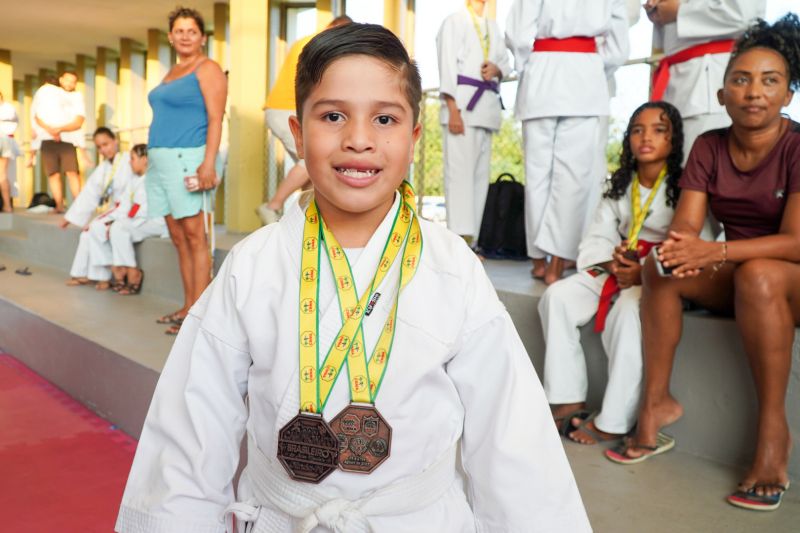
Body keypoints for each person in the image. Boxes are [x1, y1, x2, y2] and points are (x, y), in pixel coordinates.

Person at [115, 23, 590, 532]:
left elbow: (512, 441)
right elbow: (191, 437)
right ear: (297, 134)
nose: (359, 140)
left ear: (412, 137)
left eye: (384, 118)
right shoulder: (252, 265)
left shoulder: (452, 268)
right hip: (283, 516)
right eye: (333, 115)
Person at [606, 14, 800, 512]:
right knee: (661, 265)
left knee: (758, 276)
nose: (753, 91)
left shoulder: (798, 146)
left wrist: (715, 251)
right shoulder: (710, 146)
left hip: (787, 277)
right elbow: (688, 226)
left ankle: (773, 433)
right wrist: (680, 246)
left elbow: (796, 242)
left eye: (769, 80)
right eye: (741, 79)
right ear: (721, 94)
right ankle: (655, 406)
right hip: (739, 274)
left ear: (787, 94)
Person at [542, 101, 707, 445]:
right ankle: (568, 397)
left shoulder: (687, 186)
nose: (646, 137)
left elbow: (696, 238)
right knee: (557, 297)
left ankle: (614, 419)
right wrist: (613, 264)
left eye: (659, 130)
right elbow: (598, 235)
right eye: (637, 130)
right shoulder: (620, 184)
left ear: (673, 141)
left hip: (662, 273)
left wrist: (644, 269)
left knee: (628, 312)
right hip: (618, 264)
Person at [505, 0, 631, 285]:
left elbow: (517, 32)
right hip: (584, 77)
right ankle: (558, 260)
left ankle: (538, 259)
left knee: (537, 175)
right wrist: (596, 68)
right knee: (572, 176)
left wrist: (531, 66)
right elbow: (618, 46)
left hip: (541, 73)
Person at [147, 7, 227, 334]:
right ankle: (188, 305)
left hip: (188, 157)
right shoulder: (171, 73)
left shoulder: (207, 68)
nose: (184, 36)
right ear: (170, 36)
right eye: (179, 31)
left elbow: (215, 118)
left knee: (196, 236)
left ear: (202, 37)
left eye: (191, 31)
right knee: (179, 237)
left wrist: (208, 163)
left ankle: (198, 314)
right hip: (159, 161)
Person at [256, 15, 353, 226]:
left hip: (282, 109)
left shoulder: (308, 41)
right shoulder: (321, 45)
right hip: (287, 110)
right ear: (334, 27)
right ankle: (272, 206)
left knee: (315, 174)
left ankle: (307, 220)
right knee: (312, 161)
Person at [645, 0, 766, 158]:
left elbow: (742, 14)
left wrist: (679, 11)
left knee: (707, 168)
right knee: (676, 173)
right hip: (677, 80)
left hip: (710, 86)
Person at [436, 0, 510, 243]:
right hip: (462, 106)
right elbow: (446, 66)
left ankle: (474, 241)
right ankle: (459, 239)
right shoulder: (454, 21)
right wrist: (451, 107)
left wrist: (497, 69)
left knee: (480, 178)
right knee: (458, 176)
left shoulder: (493, 27)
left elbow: (506, 64)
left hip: (485, 108)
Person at [62, 127, 133, 289]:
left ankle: (105, 276)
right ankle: (83, 274)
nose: (103, 150)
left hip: (128, 210)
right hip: (115, 210)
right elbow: (90, 193)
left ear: (115, 141)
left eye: (106, 144)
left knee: (95, 227)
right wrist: (69, 218)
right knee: (86, 233)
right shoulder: (104, 167)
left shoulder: (129, 159)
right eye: (99, 147)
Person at [109, 144, 168, 295]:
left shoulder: (154, 178)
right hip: (141, 220)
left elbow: (143, 208)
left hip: (157, 222)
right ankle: (129, 269)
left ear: (145, 159)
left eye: (133, 158)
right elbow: (128, 206)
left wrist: (126, 219)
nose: (130, 162)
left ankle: (127, 271)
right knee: (117, 228)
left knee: (119, 227)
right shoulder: (136, 180)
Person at [31, 71, 85, 212]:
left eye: (73, 81)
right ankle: (59, 206)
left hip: (68, 140)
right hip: (47, 138)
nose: (69, 84)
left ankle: (79, 206)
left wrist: (59, 129)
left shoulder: (76, 96)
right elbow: (37, 116)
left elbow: (78, 121)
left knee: (72, 172)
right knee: (53, 173)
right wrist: (50, 130)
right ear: (61, 80)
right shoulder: (47, 93)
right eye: (67, 80)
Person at [0, 90, 20, 213]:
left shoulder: (7, 108)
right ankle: (7, 205)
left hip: (5, 140)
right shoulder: (9, 109)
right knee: (2, 174)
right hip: (7, 140)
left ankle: (7, 205)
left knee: (2, 174)